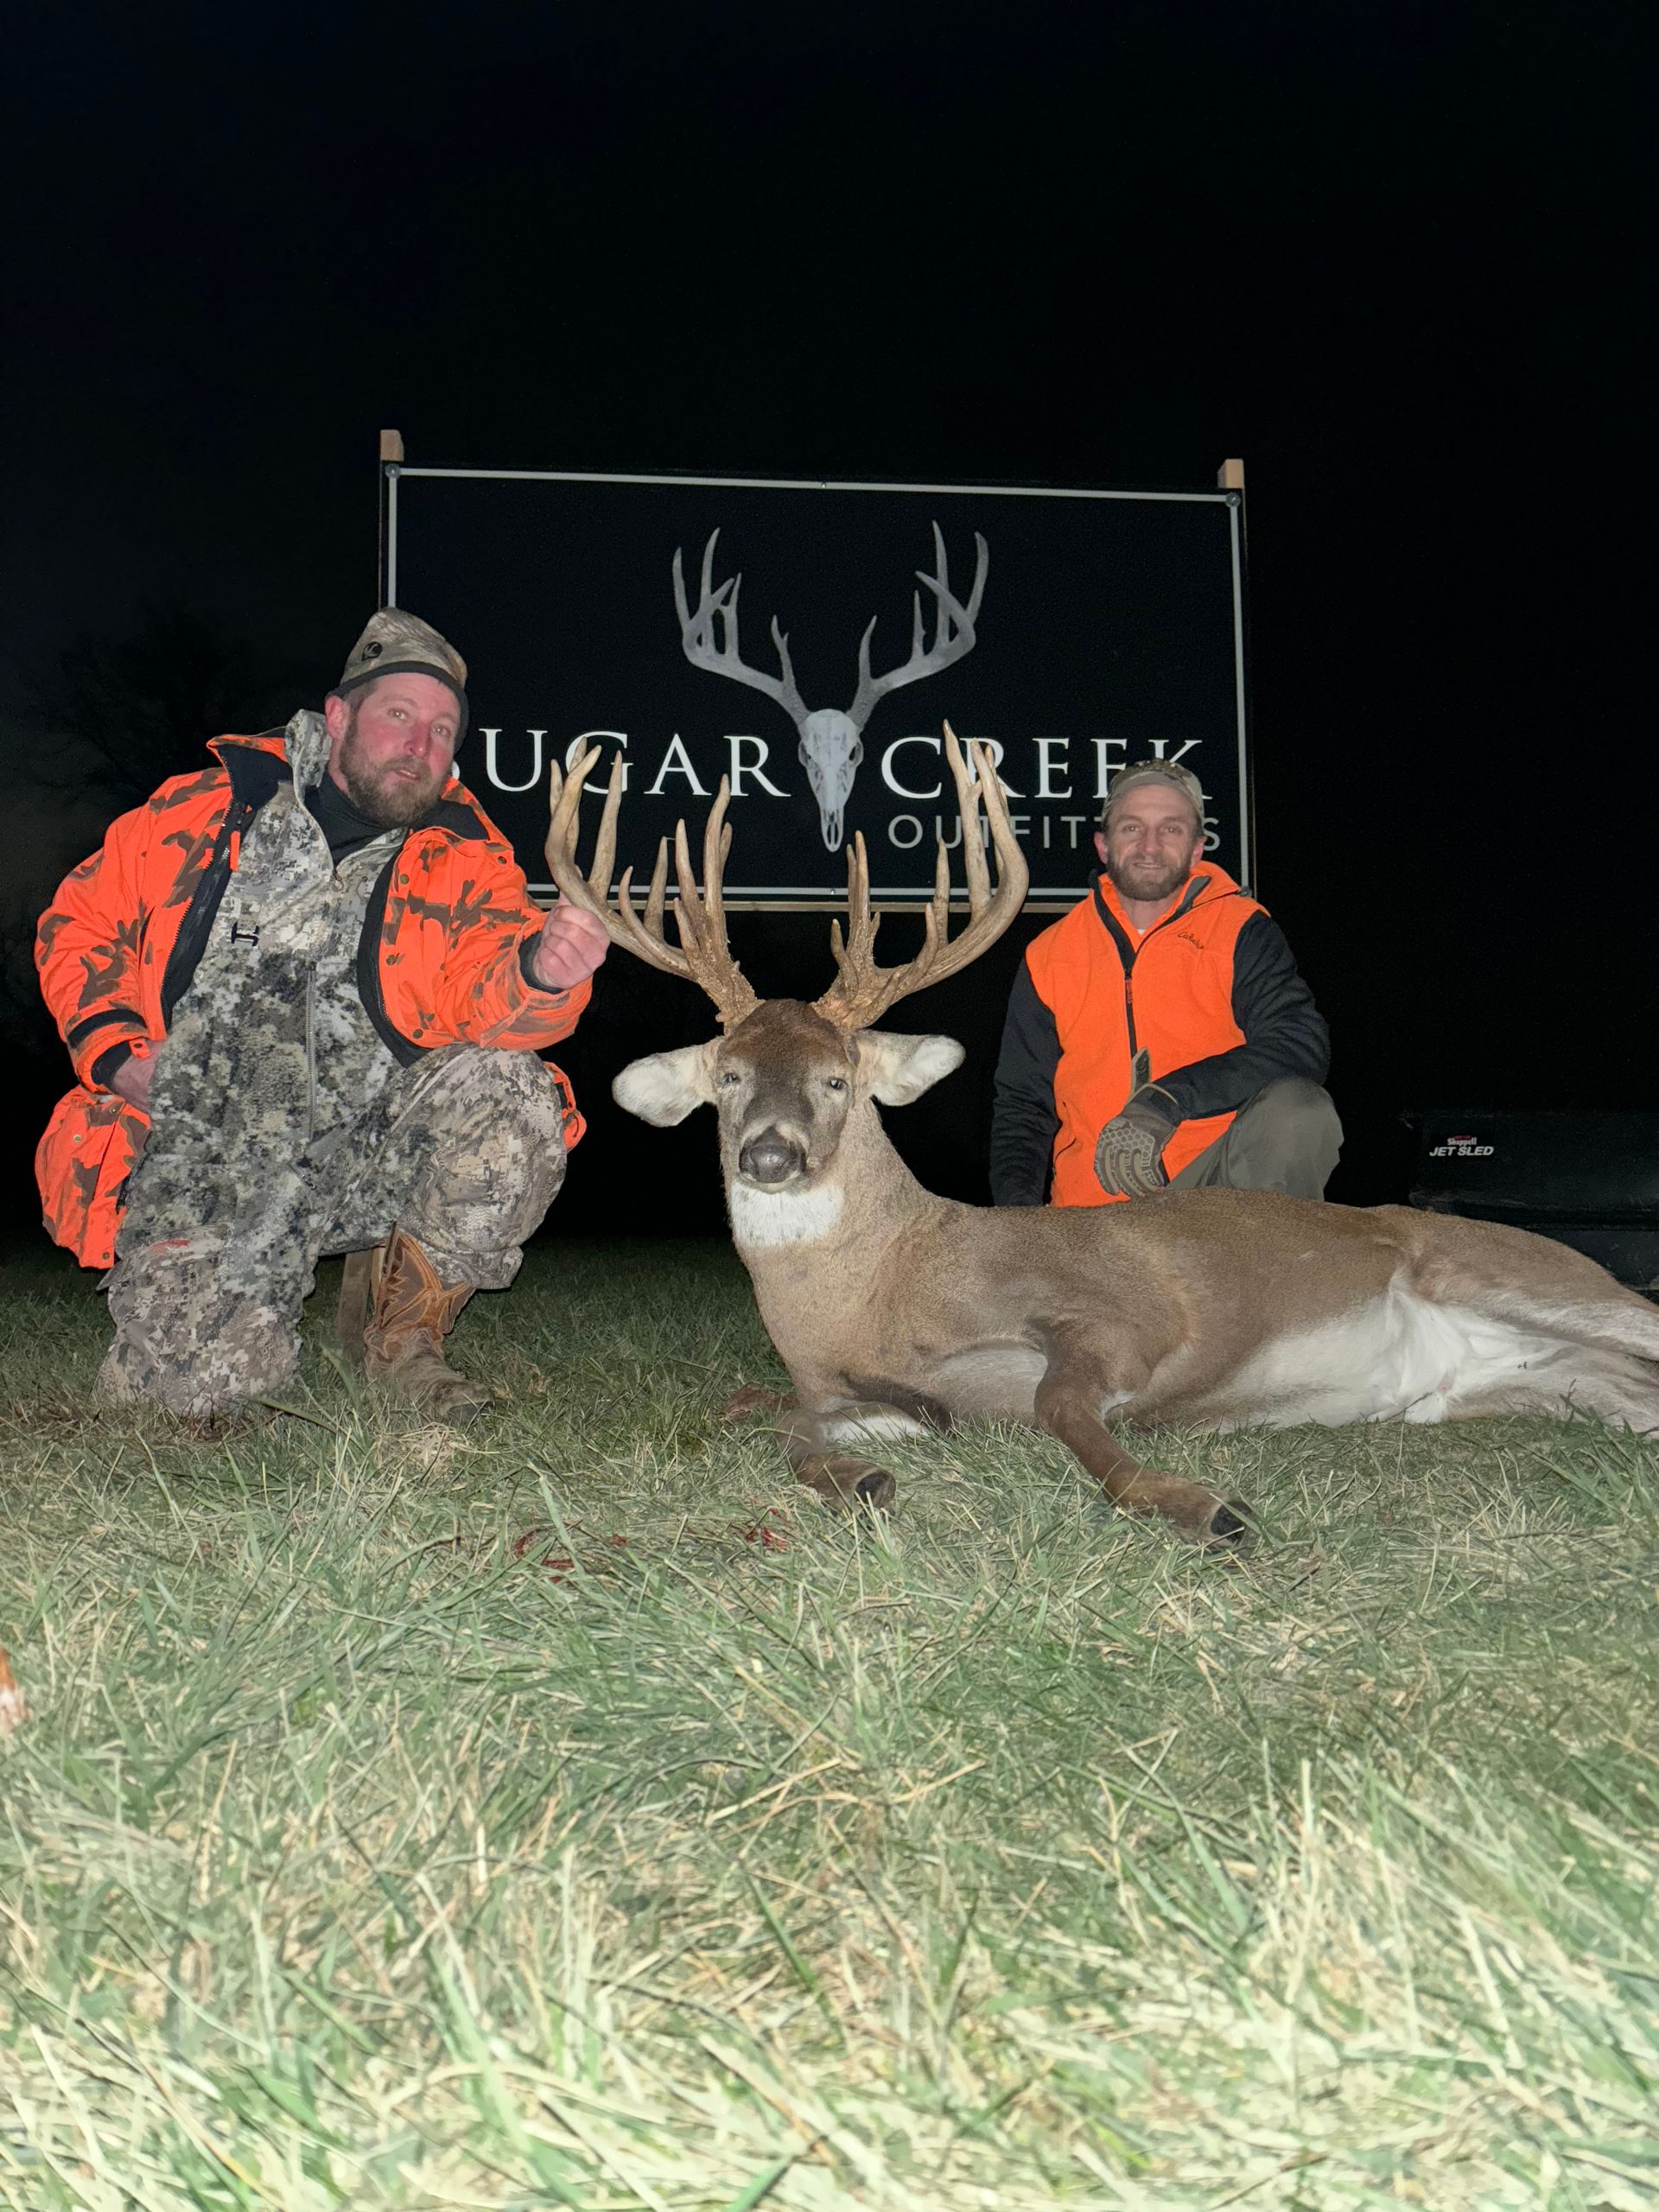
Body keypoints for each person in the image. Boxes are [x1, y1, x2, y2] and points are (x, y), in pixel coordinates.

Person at [35, 609, 609, 1426]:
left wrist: (540, 972)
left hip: (360, 1151)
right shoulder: (205, 812)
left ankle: (400, 1340)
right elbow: (79, 924)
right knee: (188, 1401)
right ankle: (212, 1313)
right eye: (399, 717)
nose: (420, 745)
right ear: (337, 718)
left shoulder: (466, 855)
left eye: (442, 731)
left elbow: (486, 996)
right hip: (204, 1153)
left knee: (512, 1091)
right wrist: (117, 1053)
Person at [989, 757, 1338, 1208]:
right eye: (1131, 828)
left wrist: (1167, 1099)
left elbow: (1300, 1043)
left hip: (1214, 1187)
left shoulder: (1239, 929)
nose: (1149, 846)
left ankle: (1263, 1268)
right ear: (1102, 844)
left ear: (1197, 848)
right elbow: (1022, 1104)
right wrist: (1019, 1225)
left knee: (1298, 1112)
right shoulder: (1050, 954)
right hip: (1094, 1211)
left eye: (1171, 829)